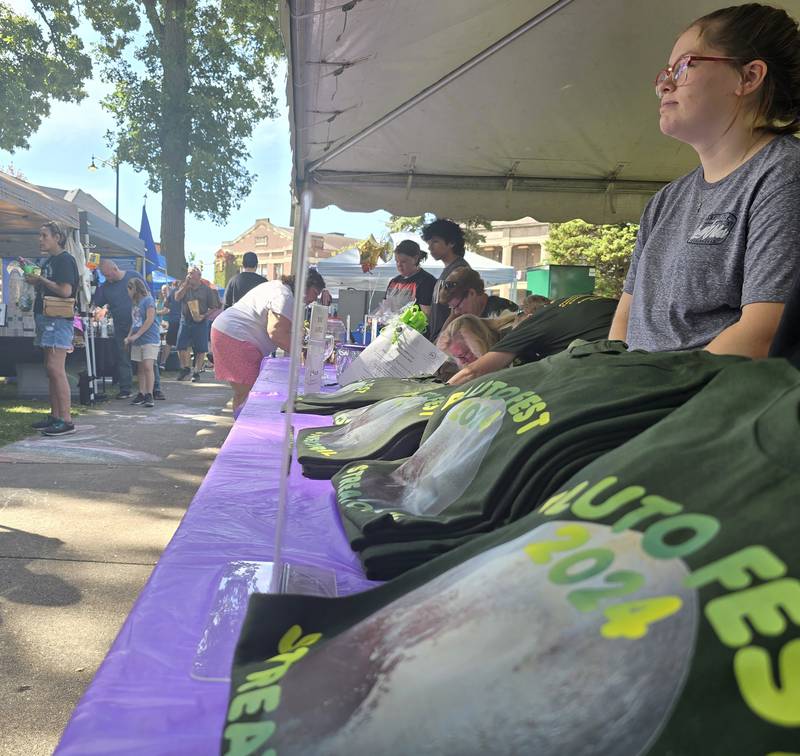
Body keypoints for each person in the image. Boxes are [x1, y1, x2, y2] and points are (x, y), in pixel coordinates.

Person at [609, 3, 800, 358]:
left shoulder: (784, 175)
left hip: (705, 404)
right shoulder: (665, 201)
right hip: (641, 399)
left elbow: (762, 332)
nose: (664, 84)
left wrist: (652, 397)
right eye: (665, 72)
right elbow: (624, 320)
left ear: (749, 77)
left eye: (683, 67)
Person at [211, 269, 326, 413]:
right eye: (315, 293)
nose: (314, 299)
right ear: (305, 286)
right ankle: (244, 429)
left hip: (231, 333)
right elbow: (276, 333)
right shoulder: (284, 295)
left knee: (245, 394)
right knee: (248, 395)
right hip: (235, 337)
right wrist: (302, 353)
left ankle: (242, 426)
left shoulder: (280, 289)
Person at [449, 294, 618, 385]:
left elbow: (473, 372)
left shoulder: (530, 324)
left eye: (465, 355)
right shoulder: (563, 305)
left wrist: (439, 397)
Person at [25, 221, 79, 436]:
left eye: (44, 235)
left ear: (58, 237)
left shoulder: (65, 260)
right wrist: (36, 281)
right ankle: (55, 415)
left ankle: (66, 419)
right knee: (50, 369)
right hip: (47, 318)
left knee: (56, 370)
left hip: (57, 319)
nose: (41, 239)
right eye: (40, 235)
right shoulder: (50, 260)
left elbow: (66, 291)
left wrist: (41, 279)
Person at [94, 260, 165, 400]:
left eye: (108, 275)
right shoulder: (106, 287)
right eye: (104, 276)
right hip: (121, 326)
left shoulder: (133, 276)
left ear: (115, 269)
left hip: (142, 326)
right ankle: (126, 388)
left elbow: (147, 295)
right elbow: (98, 302)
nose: (107, 278)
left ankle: (155, 389)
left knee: (148, 359)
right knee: (123, 357)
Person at [421, 218, 471, 341]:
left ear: (451, 243)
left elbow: (457, 312)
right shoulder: (448, 269)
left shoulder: (459, 270)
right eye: (429, 243)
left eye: (435, 242)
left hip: (449, 341)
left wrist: (440, 339)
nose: (430, 248)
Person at [174, 266, 222, 382]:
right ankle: (185, 368)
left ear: (199, 276)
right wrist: (185, 285)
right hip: (185, 320)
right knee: (181, 346)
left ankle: (196, 372)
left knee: (201, 348)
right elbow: (176, 298)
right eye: (188, 273)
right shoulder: (184, 285)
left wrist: (204, 315)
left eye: (192, 273)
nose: (189, 275)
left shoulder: (206, 289)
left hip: (200, 321)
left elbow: (215, 306)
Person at [438, 268, 520, 327]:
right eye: (452, 308)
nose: (456, 312)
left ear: (472, 293)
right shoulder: (471, 314)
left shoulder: (501, 314)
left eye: (458, 306)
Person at [124, 278, 160, 408]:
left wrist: (137, 335)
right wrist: (129, 337)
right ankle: (141, 392)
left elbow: (149, 320)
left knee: (148, 366)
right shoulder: (135, 304)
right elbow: (134, 323)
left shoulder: (148, 301)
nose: (127, 293)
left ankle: (149, 394)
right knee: (140, 368)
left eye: (128, 290)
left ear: (134, 289)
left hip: (150, 339)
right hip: (137, 340)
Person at [436, 313, 515, 368]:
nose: (462, 362)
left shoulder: (511, 344)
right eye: (457, 357)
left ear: (478, 343)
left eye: (465, 354)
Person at [384, 240, 436, 316]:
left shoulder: (427, 281)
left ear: (415, 259)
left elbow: (426, 315)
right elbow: (384, 307)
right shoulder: (394, 282)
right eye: (397, 261)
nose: (399, 265)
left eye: (403, 261)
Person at [155, 284, 171, 369]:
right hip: (159, 323)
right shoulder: (160, 301)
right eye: (162, 290)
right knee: (159, 342)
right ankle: (158, 362)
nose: (163, 292)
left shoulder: (170, 300)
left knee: (166, 343)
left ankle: (163, 362)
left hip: (168, 323)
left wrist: (156, 312)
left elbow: (167, 311)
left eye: (165, 290)